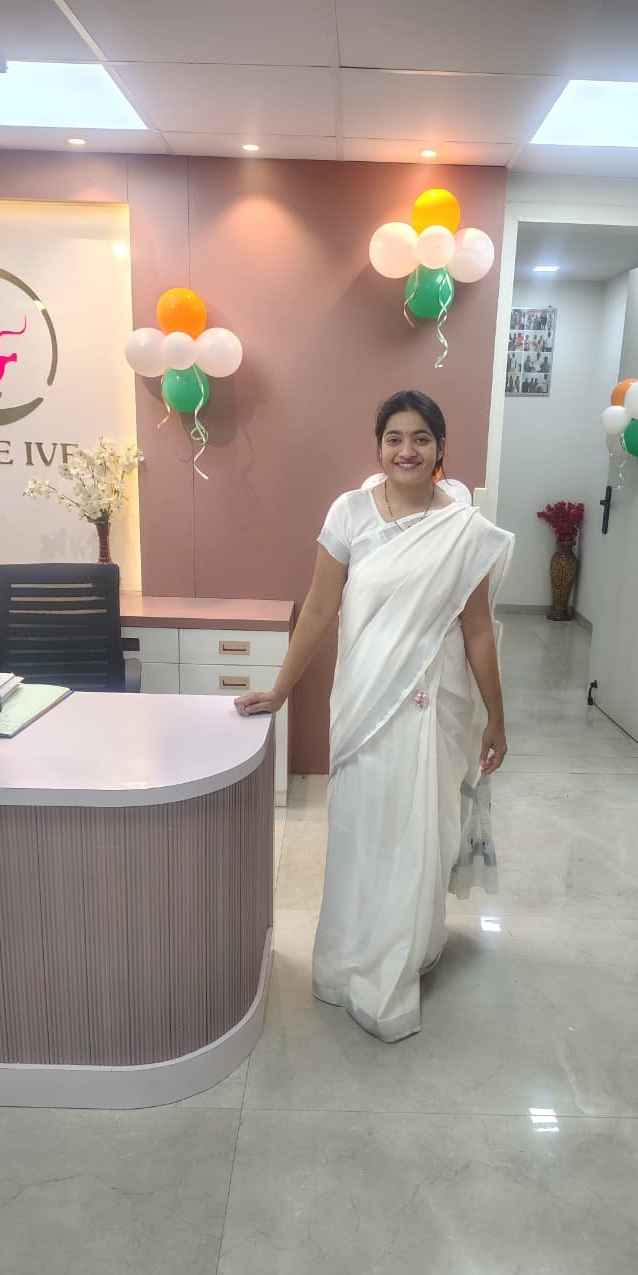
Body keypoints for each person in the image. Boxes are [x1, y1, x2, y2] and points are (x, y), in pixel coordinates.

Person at [236, 390, 514, 1043]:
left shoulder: (462, 527)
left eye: (421, 438)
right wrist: (279, 690)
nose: (406, 450)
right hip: (363, 701)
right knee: (361, 830)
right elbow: (318, 609)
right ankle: (347, 960)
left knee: (416, 835)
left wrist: (496, 718)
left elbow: (477, 630)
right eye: (394, 438)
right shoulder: (351, 512)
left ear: (441, 447)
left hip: (432, 706)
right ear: (379, 446)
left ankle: (400, 958)